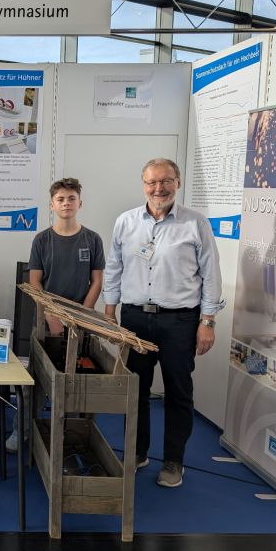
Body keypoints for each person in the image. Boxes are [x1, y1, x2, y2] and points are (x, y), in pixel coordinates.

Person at [103, 158, 223, 488]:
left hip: (180, 322)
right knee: (135, 391)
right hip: (135, 319)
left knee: (178, 393)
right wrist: (109, 311)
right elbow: (114, 268)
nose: (159, 188)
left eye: (166, 181)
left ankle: (173, 461)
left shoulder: (195, 224)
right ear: (143, 184)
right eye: (152, 182)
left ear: (178, 182)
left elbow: (211, 275)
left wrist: (208, 321)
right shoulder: (126, 222)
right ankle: (137, 452)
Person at [7, 177, 105, 453]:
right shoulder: (42, 240)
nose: (66, 203)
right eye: (61, 199)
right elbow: (35, 282)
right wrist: (51, 314)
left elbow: (97, 280)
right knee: (37, 380)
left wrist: (83, 314)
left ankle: (73, 435)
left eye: (71, 198)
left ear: (80, 203)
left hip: (80, 321)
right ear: (52, 204)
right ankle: (21, 431)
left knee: (78, 380)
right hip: (46, 320)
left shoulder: (92, 239)